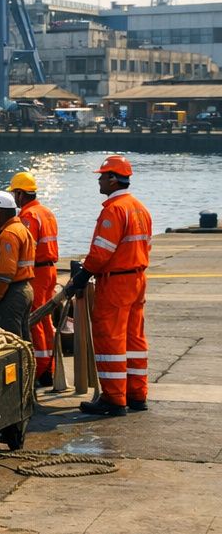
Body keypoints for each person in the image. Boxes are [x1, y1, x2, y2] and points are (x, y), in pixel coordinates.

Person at [67, 155, 153, 416]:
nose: (99, 180)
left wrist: (81, 277)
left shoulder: (113, 210)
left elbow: (102, 252)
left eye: (102, 176)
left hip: (115, 282)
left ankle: (114, 399)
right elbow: (145, 245)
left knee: (110, 338)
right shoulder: (140, 208)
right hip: (137, 278)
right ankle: (137, 395)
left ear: (113, 179)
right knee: (133, 338)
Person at [8, 171, 61, 387]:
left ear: (20, 194)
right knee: (46, 320)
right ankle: (49, 366)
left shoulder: (28, 216)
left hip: (37, 273)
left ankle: (40, 369)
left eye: (14, 194)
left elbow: (26, 248)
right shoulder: (46, 212)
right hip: (49, 270)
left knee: (35, 320)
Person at [0, 190, 35, 341]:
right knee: (23, 339)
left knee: (9, 342)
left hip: (11, 294)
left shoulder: (9, 234)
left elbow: (6, 272)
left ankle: (17, 365)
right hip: (22, 289)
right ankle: (27, 364)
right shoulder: (20, 229)